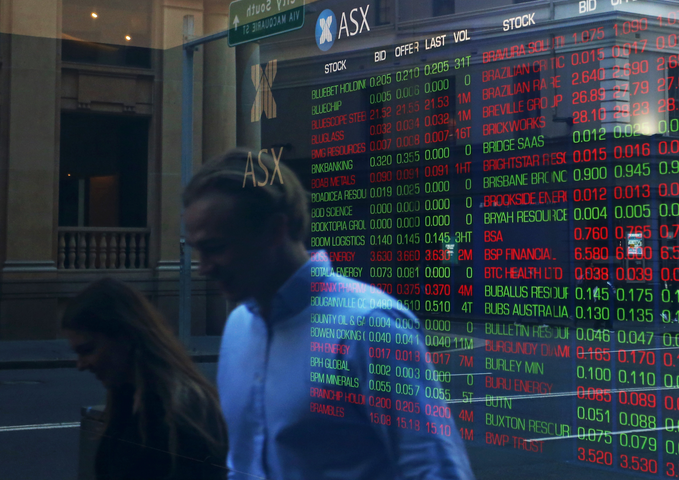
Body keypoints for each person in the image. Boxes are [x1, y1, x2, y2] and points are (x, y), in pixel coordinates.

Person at [183, 148, 474, 480]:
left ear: (275, 231)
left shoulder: (370, 326)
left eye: (216, 248)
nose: (203, 268)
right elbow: (243, 466)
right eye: (198, 250)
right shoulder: (238, 327)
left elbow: (434, 469)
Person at [62, 278, 228, 480]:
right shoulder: (126, 398)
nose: (80, 365)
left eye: (87, 350)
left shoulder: (183, 415)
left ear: (125, 336)